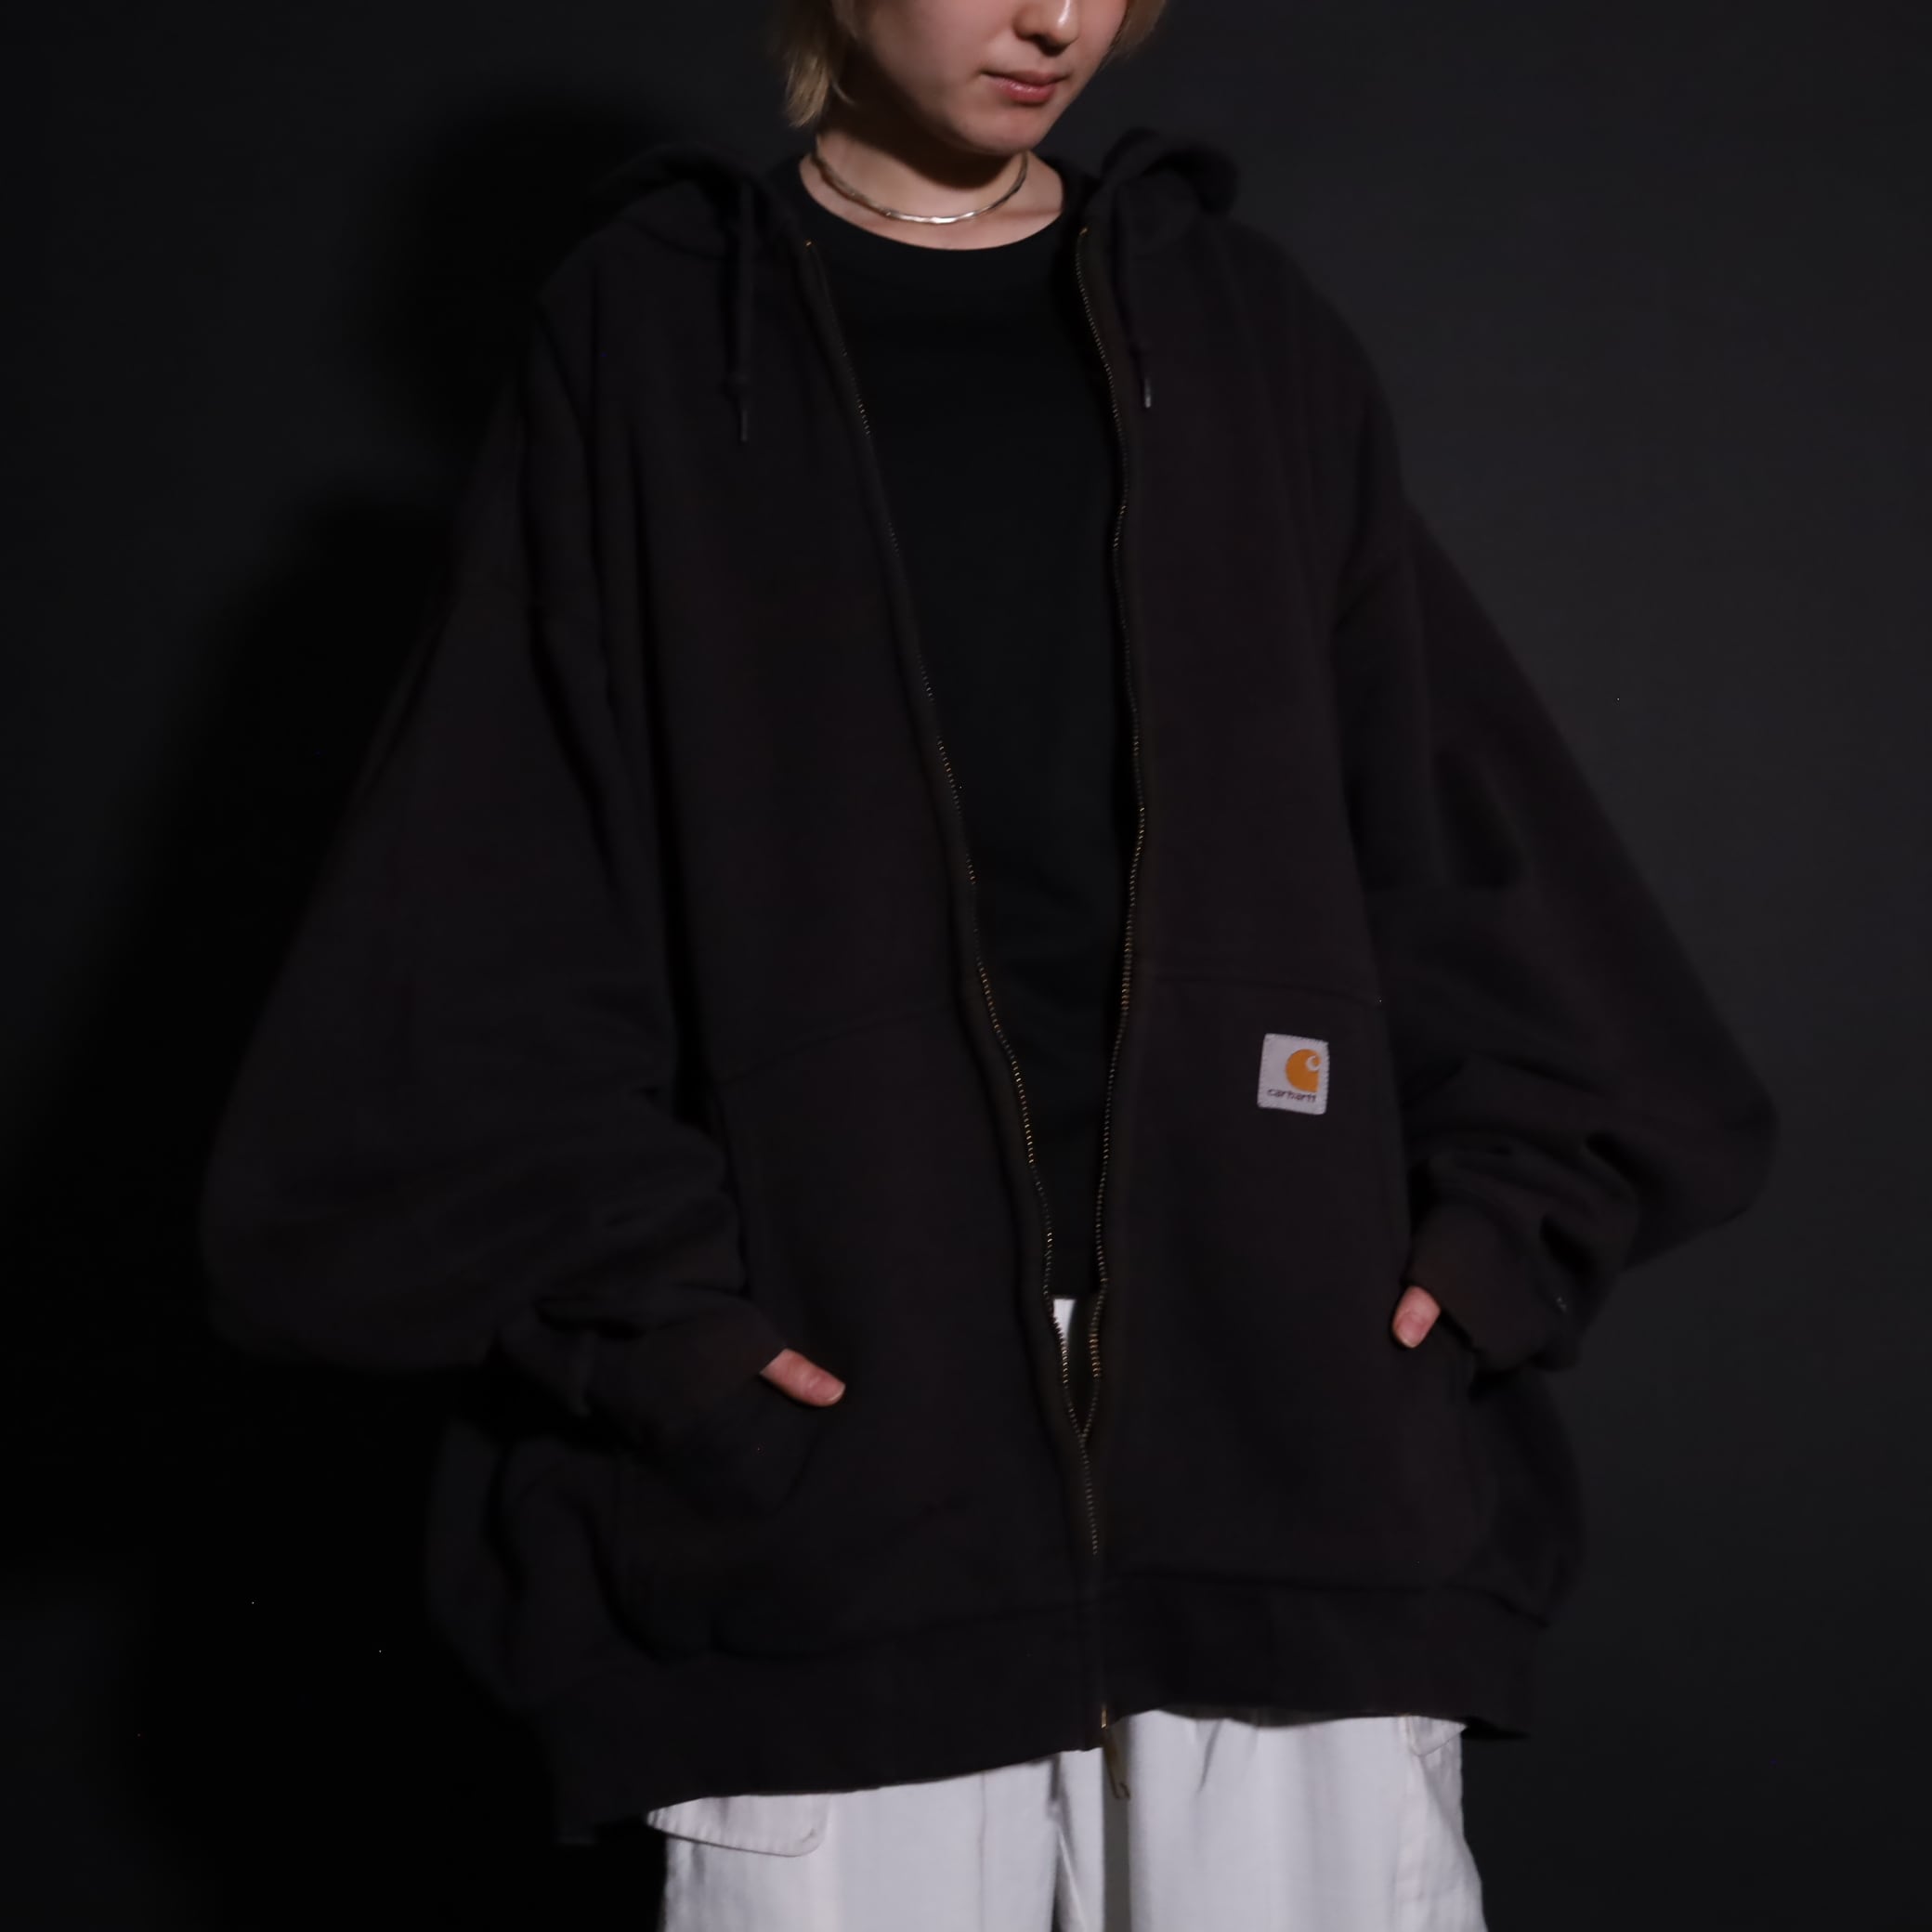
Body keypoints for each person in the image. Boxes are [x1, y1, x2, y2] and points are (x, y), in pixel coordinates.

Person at [195, 1, 1780, 1926]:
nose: (1057, 18)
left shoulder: (1239, 328)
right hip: (836, 1469)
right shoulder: (646, 334)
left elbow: (1457, 826)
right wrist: (666, 1329)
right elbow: (495, 904)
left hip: (1279, 1435)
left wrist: (1481, 1248)